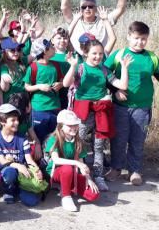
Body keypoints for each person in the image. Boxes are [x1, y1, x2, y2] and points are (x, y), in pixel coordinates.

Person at [63, 38, 131, 192]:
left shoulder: (104, 70)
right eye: (94, 53)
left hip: (101, 112)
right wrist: (72, 66)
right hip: (82, 112)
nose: (98, 56)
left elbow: (122, 85)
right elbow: (67, 83)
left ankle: (99, 177)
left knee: (99, 146)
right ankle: (74, 174)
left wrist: (124, 67)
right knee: (77, 143)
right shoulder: (80, 68)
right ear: (86, 53)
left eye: (100, 54)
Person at [105, 21, 159, 185]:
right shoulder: (119, 54)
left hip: (142, 108)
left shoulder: (152, 57)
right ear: (129, 36)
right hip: (120, 107)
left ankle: (134, 171)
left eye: (143, 39)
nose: (139, 42)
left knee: (137, 140)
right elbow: (104, 73)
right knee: (119, 139)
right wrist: (115, 90)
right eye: (136, 38)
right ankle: (116, 168)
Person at [45, 110, 100, 212]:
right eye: (70, 125)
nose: (74, 127)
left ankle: (67, 187)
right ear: (61, 126)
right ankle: (66, 197)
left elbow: (81, 163)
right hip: (57, 174)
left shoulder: (78, 141)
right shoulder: (54, 139)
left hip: (72, 174)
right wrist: (76, 163)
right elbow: (56, 160)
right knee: (67, 168)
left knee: (94, 195)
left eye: (75, 125)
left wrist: (88, 178)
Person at [0, 104, 43, 206]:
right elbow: (2, 161)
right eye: (13, 120)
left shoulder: (22, 139)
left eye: (17, 120)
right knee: (9, 172)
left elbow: (29, 160)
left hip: (22, 173)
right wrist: (18, 165)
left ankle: (20, 188)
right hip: (6, 171)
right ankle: (8, 190)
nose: (17, 122)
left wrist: (37, 170)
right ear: (2, 122)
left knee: (32, 201)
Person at [61, 0, 127, 52]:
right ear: (80, 9)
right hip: (77, 60)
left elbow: (120, 9)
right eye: (84, 7)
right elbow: (64, 8)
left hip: (98, 59)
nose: (87, 8)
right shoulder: (75, 19)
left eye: (90, 6)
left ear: (96, 8)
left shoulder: (104, 20)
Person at [24, 39, 63, 144]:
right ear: (45, 51)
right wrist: (39, 87)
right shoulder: (33, 67)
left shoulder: (55, 65)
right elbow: (27, 86)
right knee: (40, 138)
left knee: (55, 139)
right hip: (39, 109)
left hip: (55, 108)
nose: (53, 47)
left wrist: (60, 84)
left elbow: (62, 80)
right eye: (51, 46)